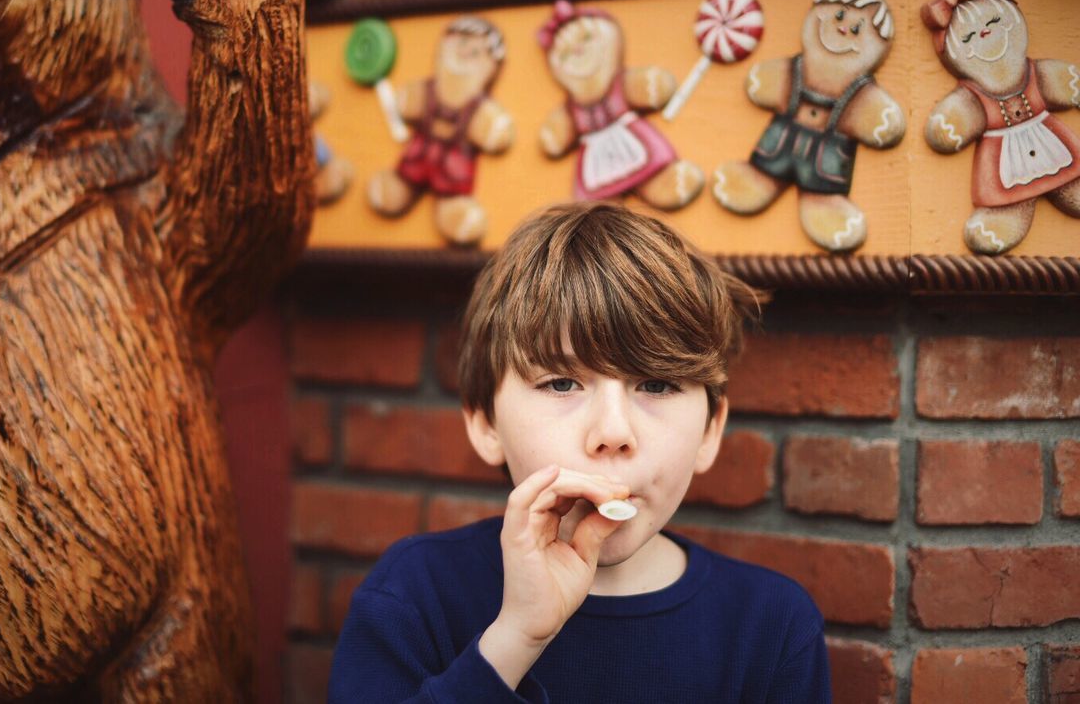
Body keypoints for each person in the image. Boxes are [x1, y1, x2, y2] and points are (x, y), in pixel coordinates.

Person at [328, 201, 831, 703]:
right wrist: (516, 638)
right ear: (485, 422)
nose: (612, 431)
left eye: (656, 385)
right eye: (562, 382)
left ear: (709, 432)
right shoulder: (414, 596)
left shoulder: (774, 628)